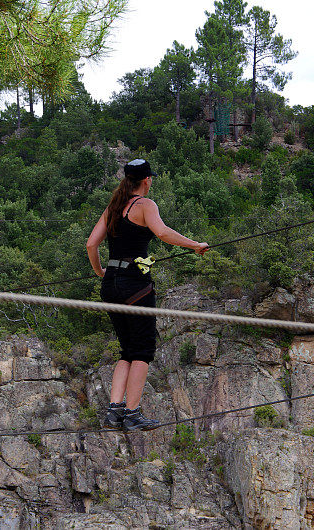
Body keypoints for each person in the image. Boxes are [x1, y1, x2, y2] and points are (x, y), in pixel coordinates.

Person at [86, 159, 209, 431]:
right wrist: (195, 245)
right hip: (135, 285)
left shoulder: (113, 207)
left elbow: (91, 243)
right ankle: (133, 413)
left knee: (126, 350)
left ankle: (114, 411)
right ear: (146, 180)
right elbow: (163, 233)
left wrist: (100, 272)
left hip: (111, 285)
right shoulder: (144, 205)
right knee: (142, 350)